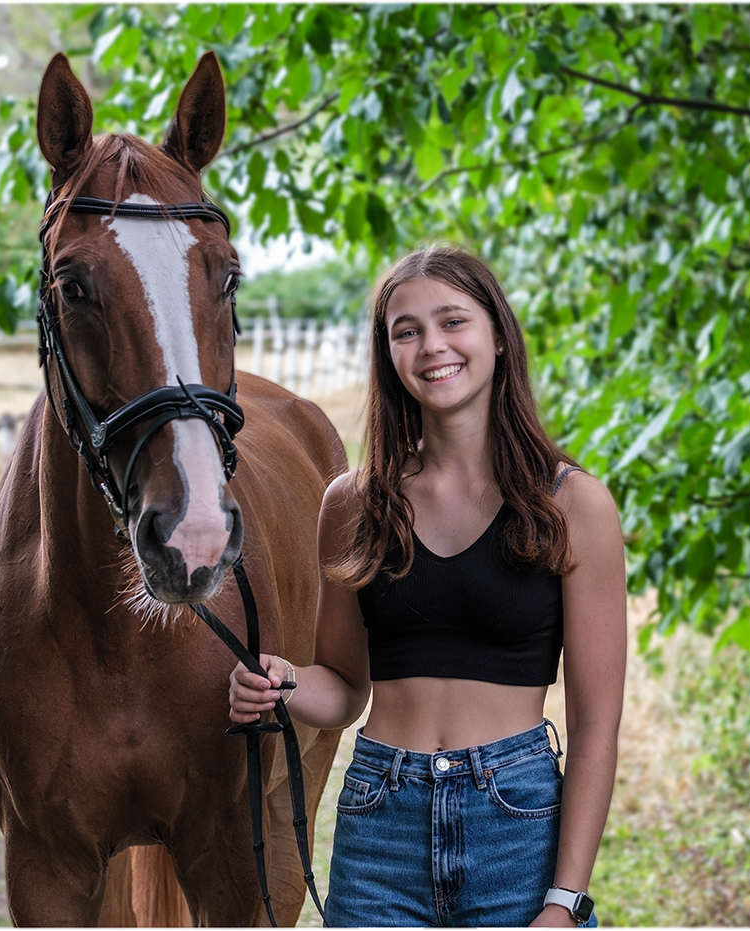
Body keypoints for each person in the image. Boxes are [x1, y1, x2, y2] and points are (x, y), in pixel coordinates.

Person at [228, 245, 627, 928]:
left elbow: (595, 725)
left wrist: (564, 899)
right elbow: (345, 686)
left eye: (452, 321)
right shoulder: (352, 503)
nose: (431, 345)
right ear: (388, 354)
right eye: (406, 331)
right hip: (381, 821)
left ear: (498, 334)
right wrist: (282, 681)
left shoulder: (574, 504)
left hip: (518, 827)